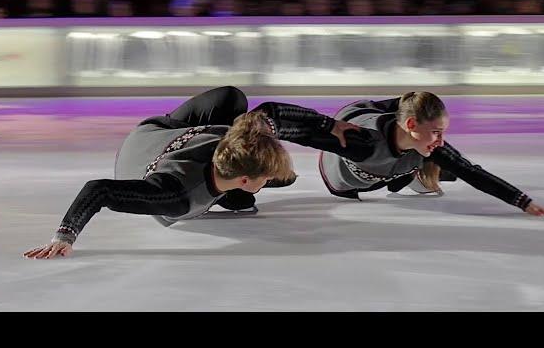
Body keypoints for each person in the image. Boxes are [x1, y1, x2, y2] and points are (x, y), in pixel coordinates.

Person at [23, 86, 358, 259]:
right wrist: (64, 237)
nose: (268, 180)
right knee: (257, 196)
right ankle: (235, 200)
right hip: (142, 155)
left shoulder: (238, 138)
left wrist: (331, 126)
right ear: (243, 180)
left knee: (232, 99)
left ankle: (240, 193)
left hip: (164, 137)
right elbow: (99, 189)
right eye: (262, 178)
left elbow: (274, 114)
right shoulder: (176, 197)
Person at [317, 92, 544, 217]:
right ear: (412, 125)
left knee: (446, 161)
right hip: (347, 173)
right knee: (433, 157)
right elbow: (303, 132)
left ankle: (418, 157)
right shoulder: (363, 142)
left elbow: (470, 171)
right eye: (437, 131)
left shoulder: (428, 145)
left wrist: (523, 202)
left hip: (396, 156)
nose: (442, 140)